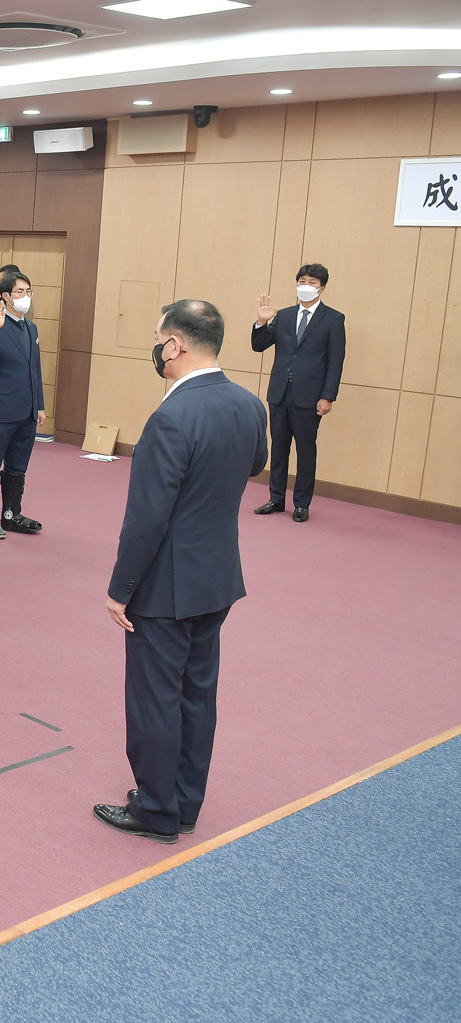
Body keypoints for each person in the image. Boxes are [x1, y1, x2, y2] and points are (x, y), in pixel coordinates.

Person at [95, 299, 268, 844]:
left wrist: (121, 589)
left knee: (155, 700)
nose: (155, 348)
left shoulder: (170, 417)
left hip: (165, 586)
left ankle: (156, 809)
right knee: (196, 695)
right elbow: (255, 464)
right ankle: (185, 803)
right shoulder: (249, 405)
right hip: (217, 577)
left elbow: (147, 518)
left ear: (175, 345)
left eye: (157, 338)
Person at [251, 264, 346, 522]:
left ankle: (302, 504)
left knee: (305, 451)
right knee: (279, 448)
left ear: (322, 288)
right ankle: (276, 499)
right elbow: (259, 346)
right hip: (280, 392)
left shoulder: (333, 319)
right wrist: (262, 322)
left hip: (310, 396)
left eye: (312, 282)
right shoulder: (283, 315)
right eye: (302, 281)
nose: (305, 286)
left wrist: (328, 396)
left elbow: (335, 362)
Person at [0, 270, 45, 539]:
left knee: (17, 466)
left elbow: (35, 369)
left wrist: (39, 405)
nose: (26, 296)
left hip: (27, 411)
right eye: (20, 292)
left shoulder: (31, 328)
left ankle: (11, 514)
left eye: (28, 291)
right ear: (5, 296)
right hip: (0, 411)